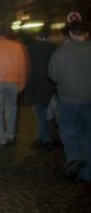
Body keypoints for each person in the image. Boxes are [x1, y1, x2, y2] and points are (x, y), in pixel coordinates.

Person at [48, 21, 91, 182]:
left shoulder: (62, 52)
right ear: (86, 33)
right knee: (88, 134)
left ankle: (74, 157)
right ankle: (87, 174)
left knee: (69, 130)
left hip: (69, 99)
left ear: (71, 34)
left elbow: (53, 75)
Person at [25, 30, 57, 151]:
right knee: (47, 113)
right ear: (48, 37)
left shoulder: (29, 49)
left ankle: (47, 140)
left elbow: (26, 67)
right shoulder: (54, 48)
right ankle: (42, 135)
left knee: (40, 114)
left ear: (37, 37)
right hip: (50, 85)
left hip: (34, 85)